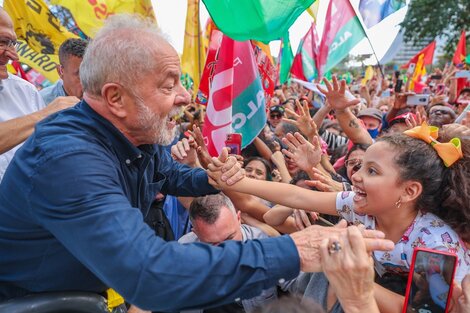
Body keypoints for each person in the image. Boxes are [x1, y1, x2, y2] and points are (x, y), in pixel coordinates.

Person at [0, 15, 393, 312]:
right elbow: (149, 274)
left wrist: (211, 177)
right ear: (115, 98)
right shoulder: (69, 158)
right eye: (169, 84)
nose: (185, 96)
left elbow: (166, 174)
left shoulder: (136, 135)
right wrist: (294, 250)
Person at [208, 77, 470, 312]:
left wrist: (351, 274)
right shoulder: (362, 205)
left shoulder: (437, 243)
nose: (354, 176)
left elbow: (421, 310)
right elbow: (298, 197)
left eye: (372, 171)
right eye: (360, 166)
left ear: (410, 190)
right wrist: (238, 180)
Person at [0, 8, 78, 181]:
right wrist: (44, 115)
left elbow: (46, 148)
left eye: (13, 43)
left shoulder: (25, 91)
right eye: (2, 42)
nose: (14, 56)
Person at [179, 194, 282, 313]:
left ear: (238, 219)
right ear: (195, 233)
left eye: (229, 238)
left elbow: (299, 283)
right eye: (213, 243)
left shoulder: (264, 246)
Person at [39, 38, 88, 104]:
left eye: (91, 72)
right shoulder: (41, 103)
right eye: (80, 75)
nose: (88, 81)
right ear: (60, 71)